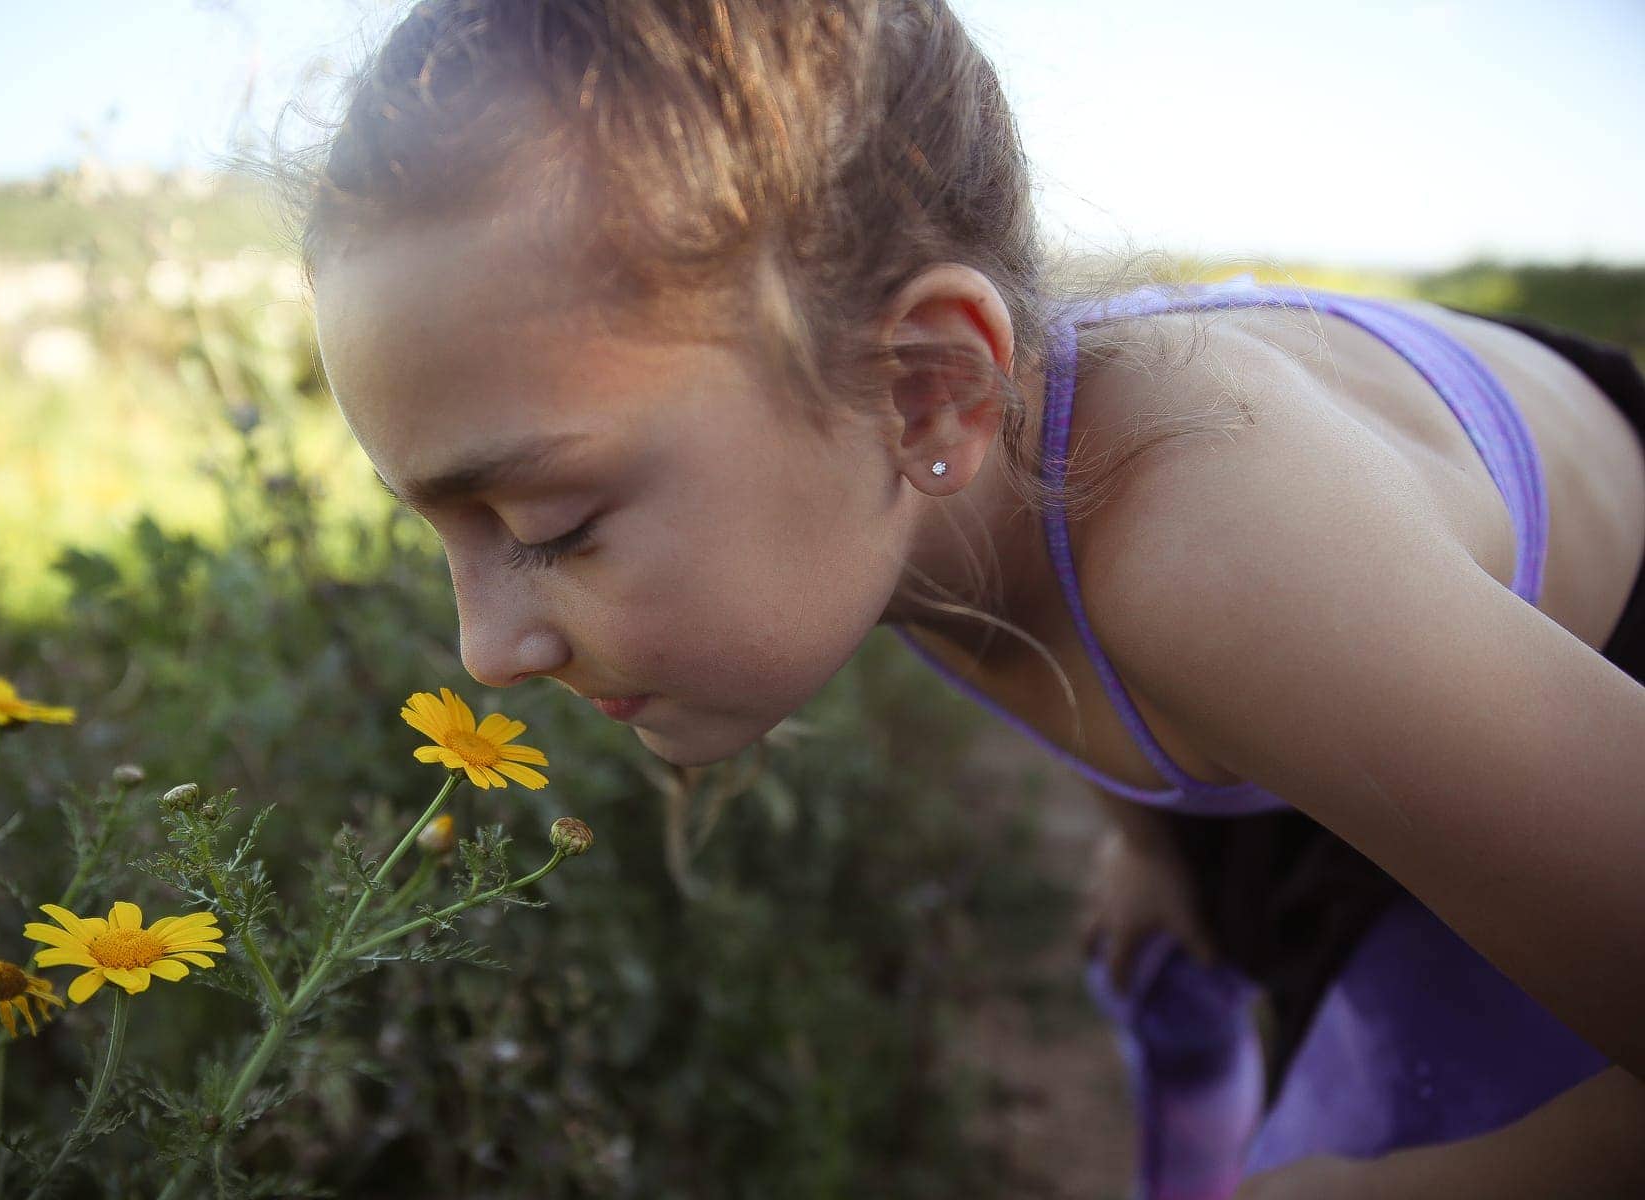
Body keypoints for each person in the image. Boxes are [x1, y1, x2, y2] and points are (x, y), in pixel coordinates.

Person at [285, 2, 1645, 1195]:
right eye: (446, 532)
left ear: (930, 387)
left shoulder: (1215, 555)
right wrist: (1156, 847)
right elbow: (1031, 618)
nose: (486, 650)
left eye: (553, 525)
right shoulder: (898, 491)